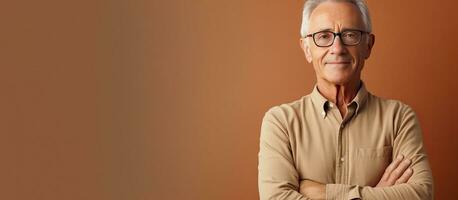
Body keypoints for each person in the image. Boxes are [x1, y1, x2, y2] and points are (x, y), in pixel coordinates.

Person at [257, 0, 434, 199]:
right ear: (307, 48)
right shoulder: (281, 122)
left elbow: (421, 194)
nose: (337, 48)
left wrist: (324, 192)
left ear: (368, 45)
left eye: (350, 35)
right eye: (323, 36)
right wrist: (376, 193)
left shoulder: (399, 118)